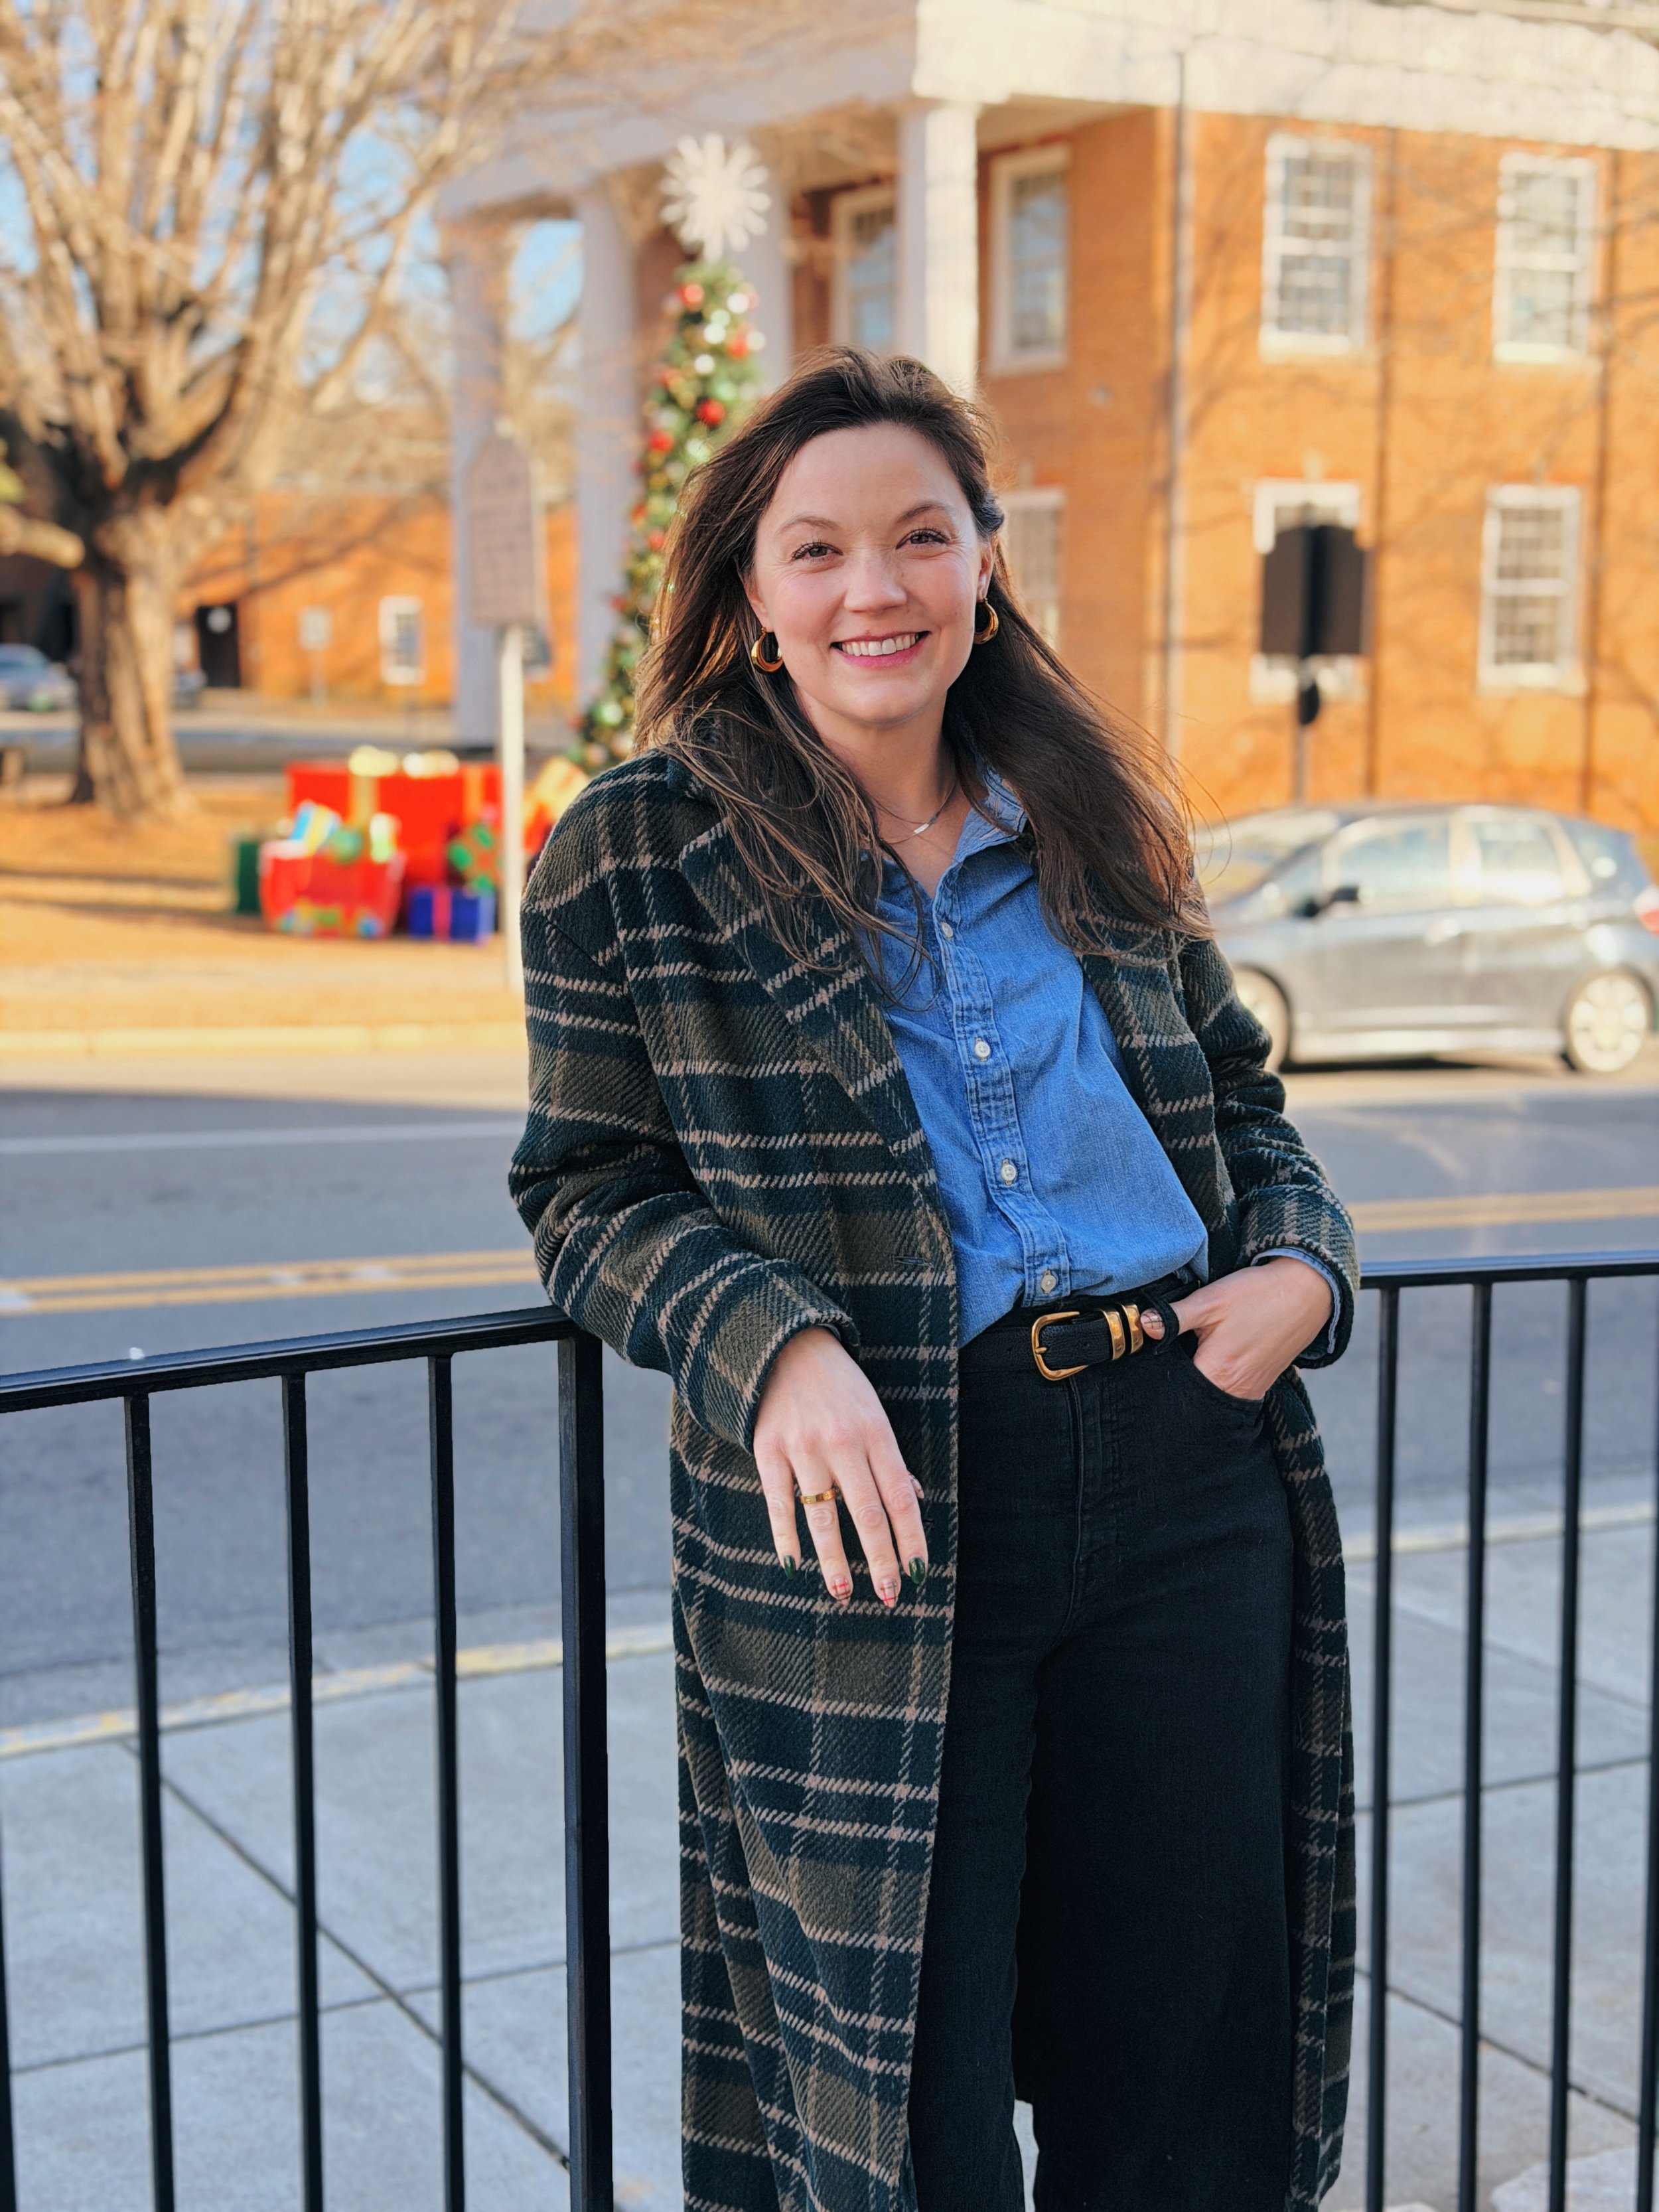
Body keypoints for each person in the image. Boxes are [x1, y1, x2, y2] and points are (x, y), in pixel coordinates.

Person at [510, 348, 1356, 2212]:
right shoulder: (635, 856)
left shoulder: (1094, 825)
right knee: (897, 2088)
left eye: (916, 538)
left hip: (1184, 1461)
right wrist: (773, 1341)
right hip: (880, 1508)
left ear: (985, 571)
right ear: (752, 596)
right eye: (815, 551)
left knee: (1186, 2061)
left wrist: (1303, 1266)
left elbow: (1245, 1109)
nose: (870, 589)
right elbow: (585, 1191)